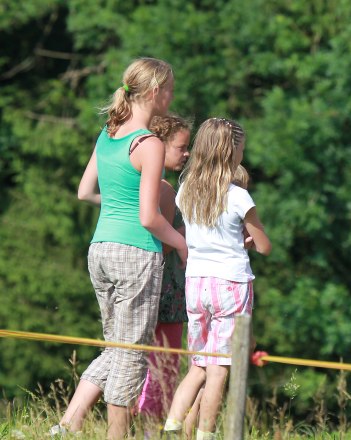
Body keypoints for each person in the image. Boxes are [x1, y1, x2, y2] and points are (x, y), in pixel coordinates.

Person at [53, 57, 188, 439]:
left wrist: (117, 205)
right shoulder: (149, 144)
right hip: (136, 253)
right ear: (155, 92)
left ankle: (67, 426)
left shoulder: (107, 135)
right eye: (171, 90)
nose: (172, 97)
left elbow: (85, 192)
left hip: (101, 249)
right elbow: (149, 218)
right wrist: (180, 244)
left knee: (115, 347)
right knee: (131, 353)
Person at [162, 118, 272, 440]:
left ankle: (170, 427)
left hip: (196, 283)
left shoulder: (186, 189)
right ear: (231, 152)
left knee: (197, 364)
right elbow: (263, 246)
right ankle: (206, 434)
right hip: (231, 284)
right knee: (218, 369)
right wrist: (249, 238)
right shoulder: (238, 196)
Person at [135, 114, 192, 424]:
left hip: (143, 284)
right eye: (181, 147)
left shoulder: (141, 185)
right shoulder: (165, 189)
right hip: (167, 288)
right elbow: (161, 243)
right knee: (164, 365)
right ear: (162, 144)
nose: (186, 154)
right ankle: (151, 425)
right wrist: (184, 238)